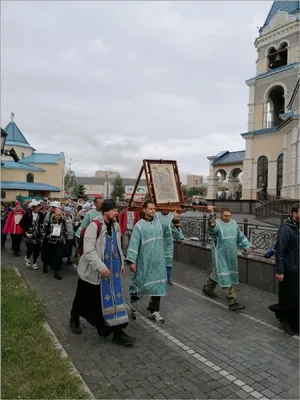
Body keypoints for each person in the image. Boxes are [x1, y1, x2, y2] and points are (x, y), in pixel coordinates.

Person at [70, 199, 135, 347]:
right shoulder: (95, 226)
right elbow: (88, 250)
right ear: (106, 211)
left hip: (111, 272)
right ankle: (74, 318)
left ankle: (117, 332)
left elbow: (118, 246)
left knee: (112, 300)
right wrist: (100, 266)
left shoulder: (116, 226)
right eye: (114, 210)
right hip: (92, 272)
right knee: (82, 298)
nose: (116, 213)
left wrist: (121, 262)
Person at [127, 201, 179, 323]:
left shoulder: (160, 223)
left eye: (154, 209)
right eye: (150, 209)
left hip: (159, 261)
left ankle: (154, 310)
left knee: (158, 286)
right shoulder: (139, 226)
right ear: (144, 210)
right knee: (140, 282)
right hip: (145, 261)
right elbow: (134, 243)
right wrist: (132, 261)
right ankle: (134, 301)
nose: (153, 211)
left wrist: (175, 220)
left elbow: (168, 234)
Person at [202, 207, 252, 311]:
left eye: (229, 215)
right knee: (224, 275)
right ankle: (232, 302)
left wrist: (246, 245)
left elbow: (240, 236)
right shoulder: (217, 224)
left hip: (231, 254)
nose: (228, 217)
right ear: (221, 215)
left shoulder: (233, 223)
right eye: (225, 215)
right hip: (219, 254)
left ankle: (207, 288)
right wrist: (211, 213)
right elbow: (211, 228)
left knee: (218, 272)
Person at [269, 204, 299, 335]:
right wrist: (280, 271)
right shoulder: (286, 229)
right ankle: (284, 318)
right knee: (291, 296)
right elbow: (279, 250)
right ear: (294, 213)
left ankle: (295, 322)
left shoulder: (297, 229)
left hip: (298, 267)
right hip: (289, 268)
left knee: (296, 297)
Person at [157, 211, 184, 285]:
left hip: (168, 242)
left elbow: (176, 228)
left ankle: (167, 279)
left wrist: (180, 237)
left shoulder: (172, 216)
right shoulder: (156, 215)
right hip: (158, 241)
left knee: (168, 260)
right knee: (158, 260)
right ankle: (158, 278)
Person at [41, 208, 67, 279]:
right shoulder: (48, 221)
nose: (58, 216)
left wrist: (63, 236)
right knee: (47, 255)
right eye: (57, 215)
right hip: (49, 242)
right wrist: (49, 235)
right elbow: (43, 231)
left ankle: (57, 272)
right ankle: (45, 265)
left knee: (58, 256)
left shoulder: (63, 222)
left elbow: (65, 230)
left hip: (58, 242)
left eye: (59, 215)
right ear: (54, 214)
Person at [20, 200, 44, 270]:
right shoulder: (28, 214)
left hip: (37, 235)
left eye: (39, 207)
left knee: (37, 250)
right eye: (36, 207)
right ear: (33, 207)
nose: (38, 208)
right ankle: (27, 257)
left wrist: (41, 227)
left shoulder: (41, 215)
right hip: (29, 234)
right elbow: (21, 223)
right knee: (30, 248)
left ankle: (34, 263)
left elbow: (41, 224)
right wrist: (27, 228)